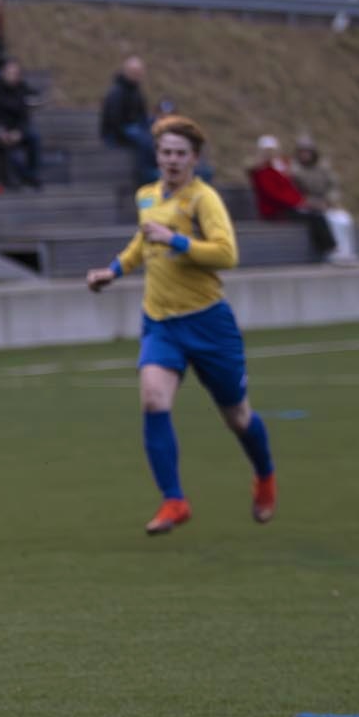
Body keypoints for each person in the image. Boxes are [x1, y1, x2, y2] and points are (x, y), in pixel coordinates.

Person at [84, 116, 276, 535]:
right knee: (154, 400)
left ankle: (265, 476)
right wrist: (112, 271)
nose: (172, 159)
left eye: (180, 153)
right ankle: (174, 500)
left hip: (208, 323)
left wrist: (176, 240)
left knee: (238, 416)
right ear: (157, 156)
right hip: (160, 321)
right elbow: (142, 243)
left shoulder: (204, 200)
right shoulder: (147, 196)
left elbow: (227, 254)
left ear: (194, 158)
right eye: (166, 152)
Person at [248, 134, 336, 260]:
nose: (271, 154)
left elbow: (290, 189)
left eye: (272, 151)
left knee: (319, 215)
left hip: (288, 206)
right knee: (315, 218)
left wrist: (302, 201)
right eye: (267, 151)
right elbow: (275, 195)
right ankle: (329, 249)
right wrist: (300, 202)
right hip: (276, 211)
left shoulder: (279, 168)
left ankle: (328, 249)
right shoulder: (262, 172)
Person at [290, 135, 359, 265]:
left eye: (307, 151)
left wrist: (329, 200)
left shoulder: (322, 168)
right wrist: (313, 203)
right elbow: (295, 193)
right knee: (328, 220)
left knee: (343, 218)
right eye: (302, 152)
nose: (305, 155)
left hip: (325, 203)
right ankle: (333, 253)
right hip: (308, 206)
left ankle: (347, 252)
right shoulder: (295, 170)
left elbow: (333, 186)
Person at [0, 58, 42, 189]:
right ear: (3, 73)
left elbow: (25, 115)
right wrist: (0, 130)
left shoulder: (22, 88)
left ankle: (32, 174)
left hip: (17, 129)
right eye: (10, 73)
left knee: (34, 137)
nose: (13, 76)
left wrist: (19, 132)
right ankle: (11, 179)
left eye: (16, 73)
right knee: (5, 148)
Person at [99, 55, 155, 185]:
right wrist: (123, 136)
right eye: (135, 72)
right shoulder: (117, 91)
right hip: (116, 132)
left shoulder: (136, 91)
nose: (138, 75)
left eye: (140, 72)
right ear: (127, 72)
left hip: (133, 126)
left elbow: (142, 113)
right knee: (143, 140)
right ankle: (146, 174)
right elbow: (113, 120)